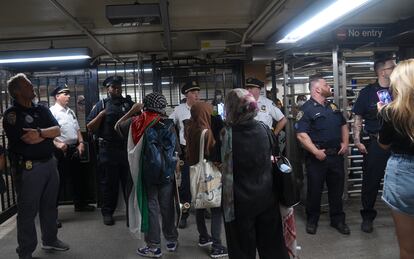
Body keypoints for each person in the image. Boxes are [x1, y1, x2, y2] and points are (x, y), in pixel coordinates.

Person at [3, 73, 69, 259]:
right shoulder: (12, 115)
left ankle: (50, 241)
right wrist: (46, 135)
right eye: (28, 86)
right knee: (28, 211)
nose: (32, 87)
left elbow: (57, 130)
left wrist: (40, 132)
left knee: (49, 207)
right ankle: (25, 251)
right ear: (17, 91)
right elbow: (27, 139)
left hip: (49, 163)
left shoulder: (42, 109)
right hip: (29, 168)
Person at [221, 88, 289, 259]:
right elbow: (273, 154)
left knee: (242, 251)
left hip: (238, 204)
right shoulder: (264, 129)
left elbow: (217, 160)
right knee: (273, 248)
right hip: (267, 198)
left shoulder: (226, 135)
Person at [115, 92, 179, 258]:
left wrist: (132, 111)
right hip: (166, 173)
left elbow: (117, 127)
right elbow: (176, 150)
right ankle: (171, 240)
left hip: (147, 172)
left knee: (151, 206)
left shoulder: (135, 121)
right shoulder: (169, 123)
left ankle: (154, 246)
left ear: (145, 105)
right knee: (167, 206)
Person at [295, 74, 350, 235]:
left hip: (336, 156)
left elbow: (344, 125)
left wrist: (345, 143)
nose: (329, 87)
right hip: (317, 158)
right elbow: (301, 135)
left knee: (336, 190)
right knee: (314, 191)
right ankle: (312, 221)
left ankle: (338, 220)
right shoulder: (306, 109)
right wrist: (315, 151)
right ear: (317, 89)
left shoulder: (332, 107)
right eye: (326, 85)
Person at [352, 53, 396, 233]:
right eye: (392, 67)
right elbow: (358, 118)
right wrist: (357, 140)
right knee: (371, 181)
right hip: (376, 142)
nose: (395, 69)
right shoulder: (367, 92)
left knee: (401, 178)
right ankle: (368, 217)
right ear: (383, 72)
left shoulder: (399, 89)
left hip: (398, 143)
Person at [377, 59, 414, 259]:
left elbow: (383, 145)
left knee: (408, 248)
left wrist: (383, 114)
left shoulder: (392, 111)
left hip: (403, 173)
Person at [86, 75, 134, 226]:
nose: (117, 89)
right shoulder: (101, 105)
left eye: (119, 86)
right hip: (108, 151)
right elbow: (90, 127)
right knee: (109, 184)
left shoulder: (129, 104)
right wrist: (101, 115)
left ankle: (131, 214)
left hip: (126, 149)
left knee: (129, 184)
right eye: (113, 87)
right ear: (107, 89)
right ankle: (107, 213)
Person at [185, 102, 228, 258]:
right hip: (210, 174)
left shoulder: (190, 128)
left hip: (196, 173)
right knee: (216, 208)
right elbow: (214, 156)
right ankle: (217, 246)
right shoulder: (207, 132)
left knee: (200, 206)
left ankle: (203, 236)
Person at [49, 85, 95, 224]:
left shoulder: (70, 111)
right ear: (57, 96)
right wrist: (57, 143)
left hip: (74, 148)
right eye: (65, 94)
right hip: (60, 150)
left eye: (69, 94)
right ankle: (52, 215)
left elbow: (77, 129)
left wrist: (81, 143)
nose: (68, 96)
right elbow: (47, 132)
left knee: (78, 178)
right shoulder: (52, 112)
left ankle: (80, 204)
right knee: (57, 182)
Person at [169, 80, 200, 228]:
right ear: (187, 94)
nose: (196, 95)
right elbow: (169, 125)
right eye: (194, 93)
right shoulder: (179, 109)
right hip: (186, 151)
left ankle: (204, 207)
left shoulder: (203, 108)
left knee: (202, 181)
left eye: (197, 92)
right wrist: (175, 147)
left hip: (201, 150)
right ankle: (184, 213)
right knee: (186, 185)